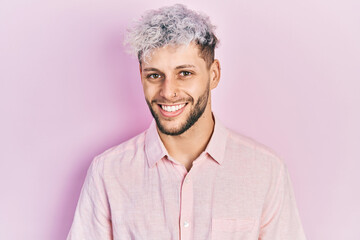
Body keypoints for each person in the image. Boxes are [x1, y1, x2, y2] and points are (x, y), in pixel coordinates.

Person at [67, 4, 306, 240]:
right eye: (154, 75)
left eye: (185, 73)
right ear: (141, 76)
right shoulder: (108, 172)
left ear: (214, 75)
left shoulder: (266, 170)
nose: (168, 92)